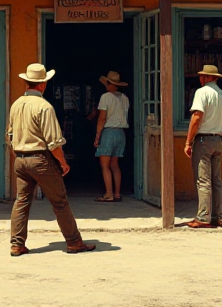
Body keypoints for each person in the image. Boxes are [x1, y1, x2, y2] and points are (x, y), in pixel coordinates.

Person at [7, 63, 96, 257]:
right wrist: (63, 163)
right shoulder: (44, 107)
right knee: (60, 201)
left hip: (20, 158)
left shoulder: (16, 105)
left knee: (21, 201)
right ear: (42, 85)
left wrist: (19, 156)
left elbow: (10, 136)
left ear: (26, 83)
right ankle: (74, 242)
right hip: (40, 159)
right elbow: (54, 142)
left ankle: (16, 244)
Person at [184, 64, 222, 228]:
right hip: (218, 138)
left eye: (203, 76)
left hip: (203, 139)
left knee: (203, 180)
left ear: (208, 77)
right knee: (216, 180)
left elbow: (197, 117)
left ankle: (203, 216)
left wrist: (189, 141)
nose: (200, 79)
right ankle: (218, 216)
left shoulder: (202, 92)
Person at [94, 71, 130, 202]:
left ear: (109, 84)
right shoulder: (124, 98)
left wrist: (98, 136)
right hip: (121, 133)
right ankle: (117, 193)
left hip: (109, 132)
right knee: (115, 165)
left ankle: (108, 193)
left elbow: (102, 118)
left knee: (105, 165)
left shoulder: (106, 97)